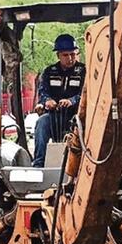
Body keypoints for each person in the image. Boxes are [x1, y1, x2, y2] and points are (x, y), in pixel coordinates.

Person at [32, 34, 86, 167]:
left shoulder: (84, 71)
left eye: (73, 54)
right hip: (54, 116)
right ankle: (39, 164)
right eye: (66, 55)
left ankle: (84, 163)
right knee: (41, 122)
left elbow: (87, 93)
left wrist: (72, 101)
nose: (70, 58)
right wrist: (47, 100)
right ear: (58, 55)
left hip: (78, 118)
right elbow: (42, 91)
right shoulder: (50, 72)